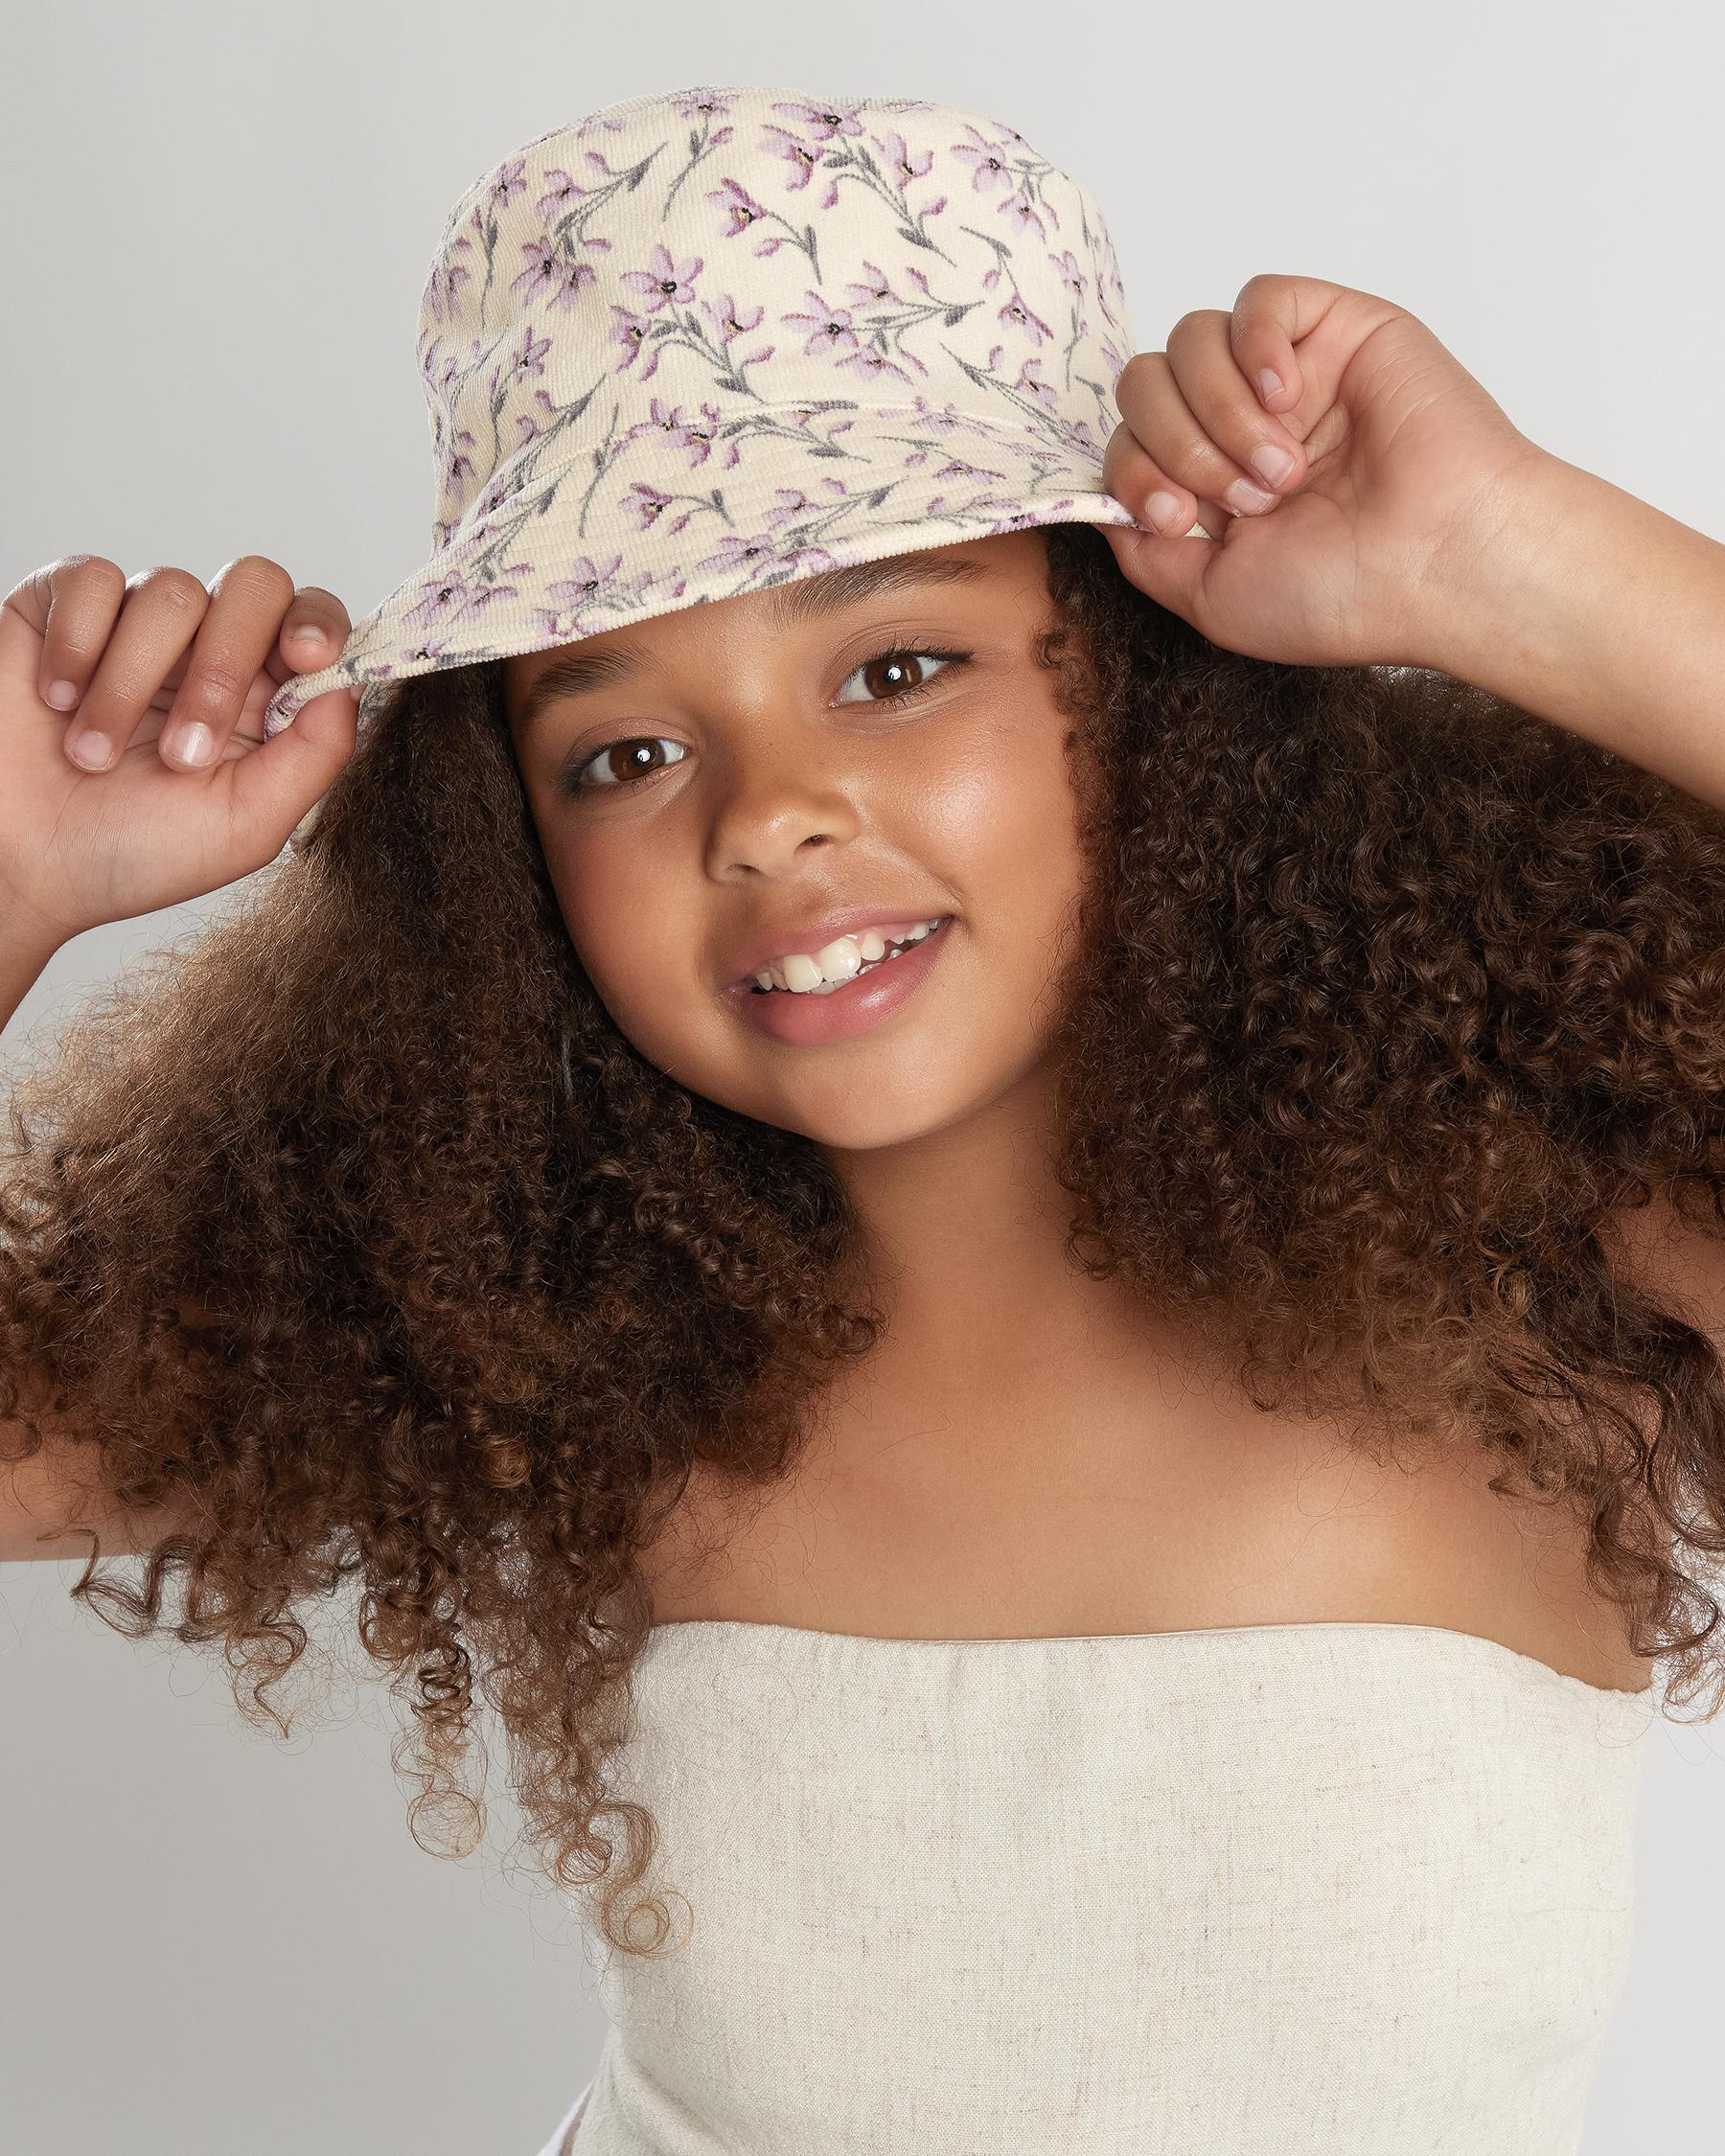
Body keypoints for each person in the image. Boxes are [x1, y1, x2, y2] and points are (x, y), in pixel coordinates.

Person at [4, 81, 1724, 2155]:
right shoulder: (561, 1327)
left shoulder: (1550, 1249)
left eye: (896, 669)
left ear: (1148, 673)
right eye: (624, 754)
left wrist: (1509, 559)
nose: (769, 816)